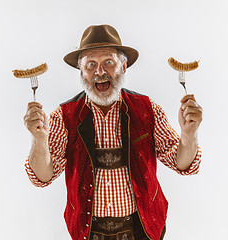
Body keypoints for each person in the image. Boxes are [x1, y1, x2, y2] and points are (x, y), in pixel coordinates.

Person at [24, 25, 202, 240]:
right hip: (88, 231)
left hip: (143, 229)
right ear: (81, 71)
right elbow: (43, 176)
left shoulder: (147, 109)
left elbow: (181, 163)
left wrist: (189, 133)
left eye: (109, 62)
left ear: (124, 66)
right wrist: (39, 139)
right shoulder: (63, 116)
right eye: (91, 64)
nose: (100, 72)